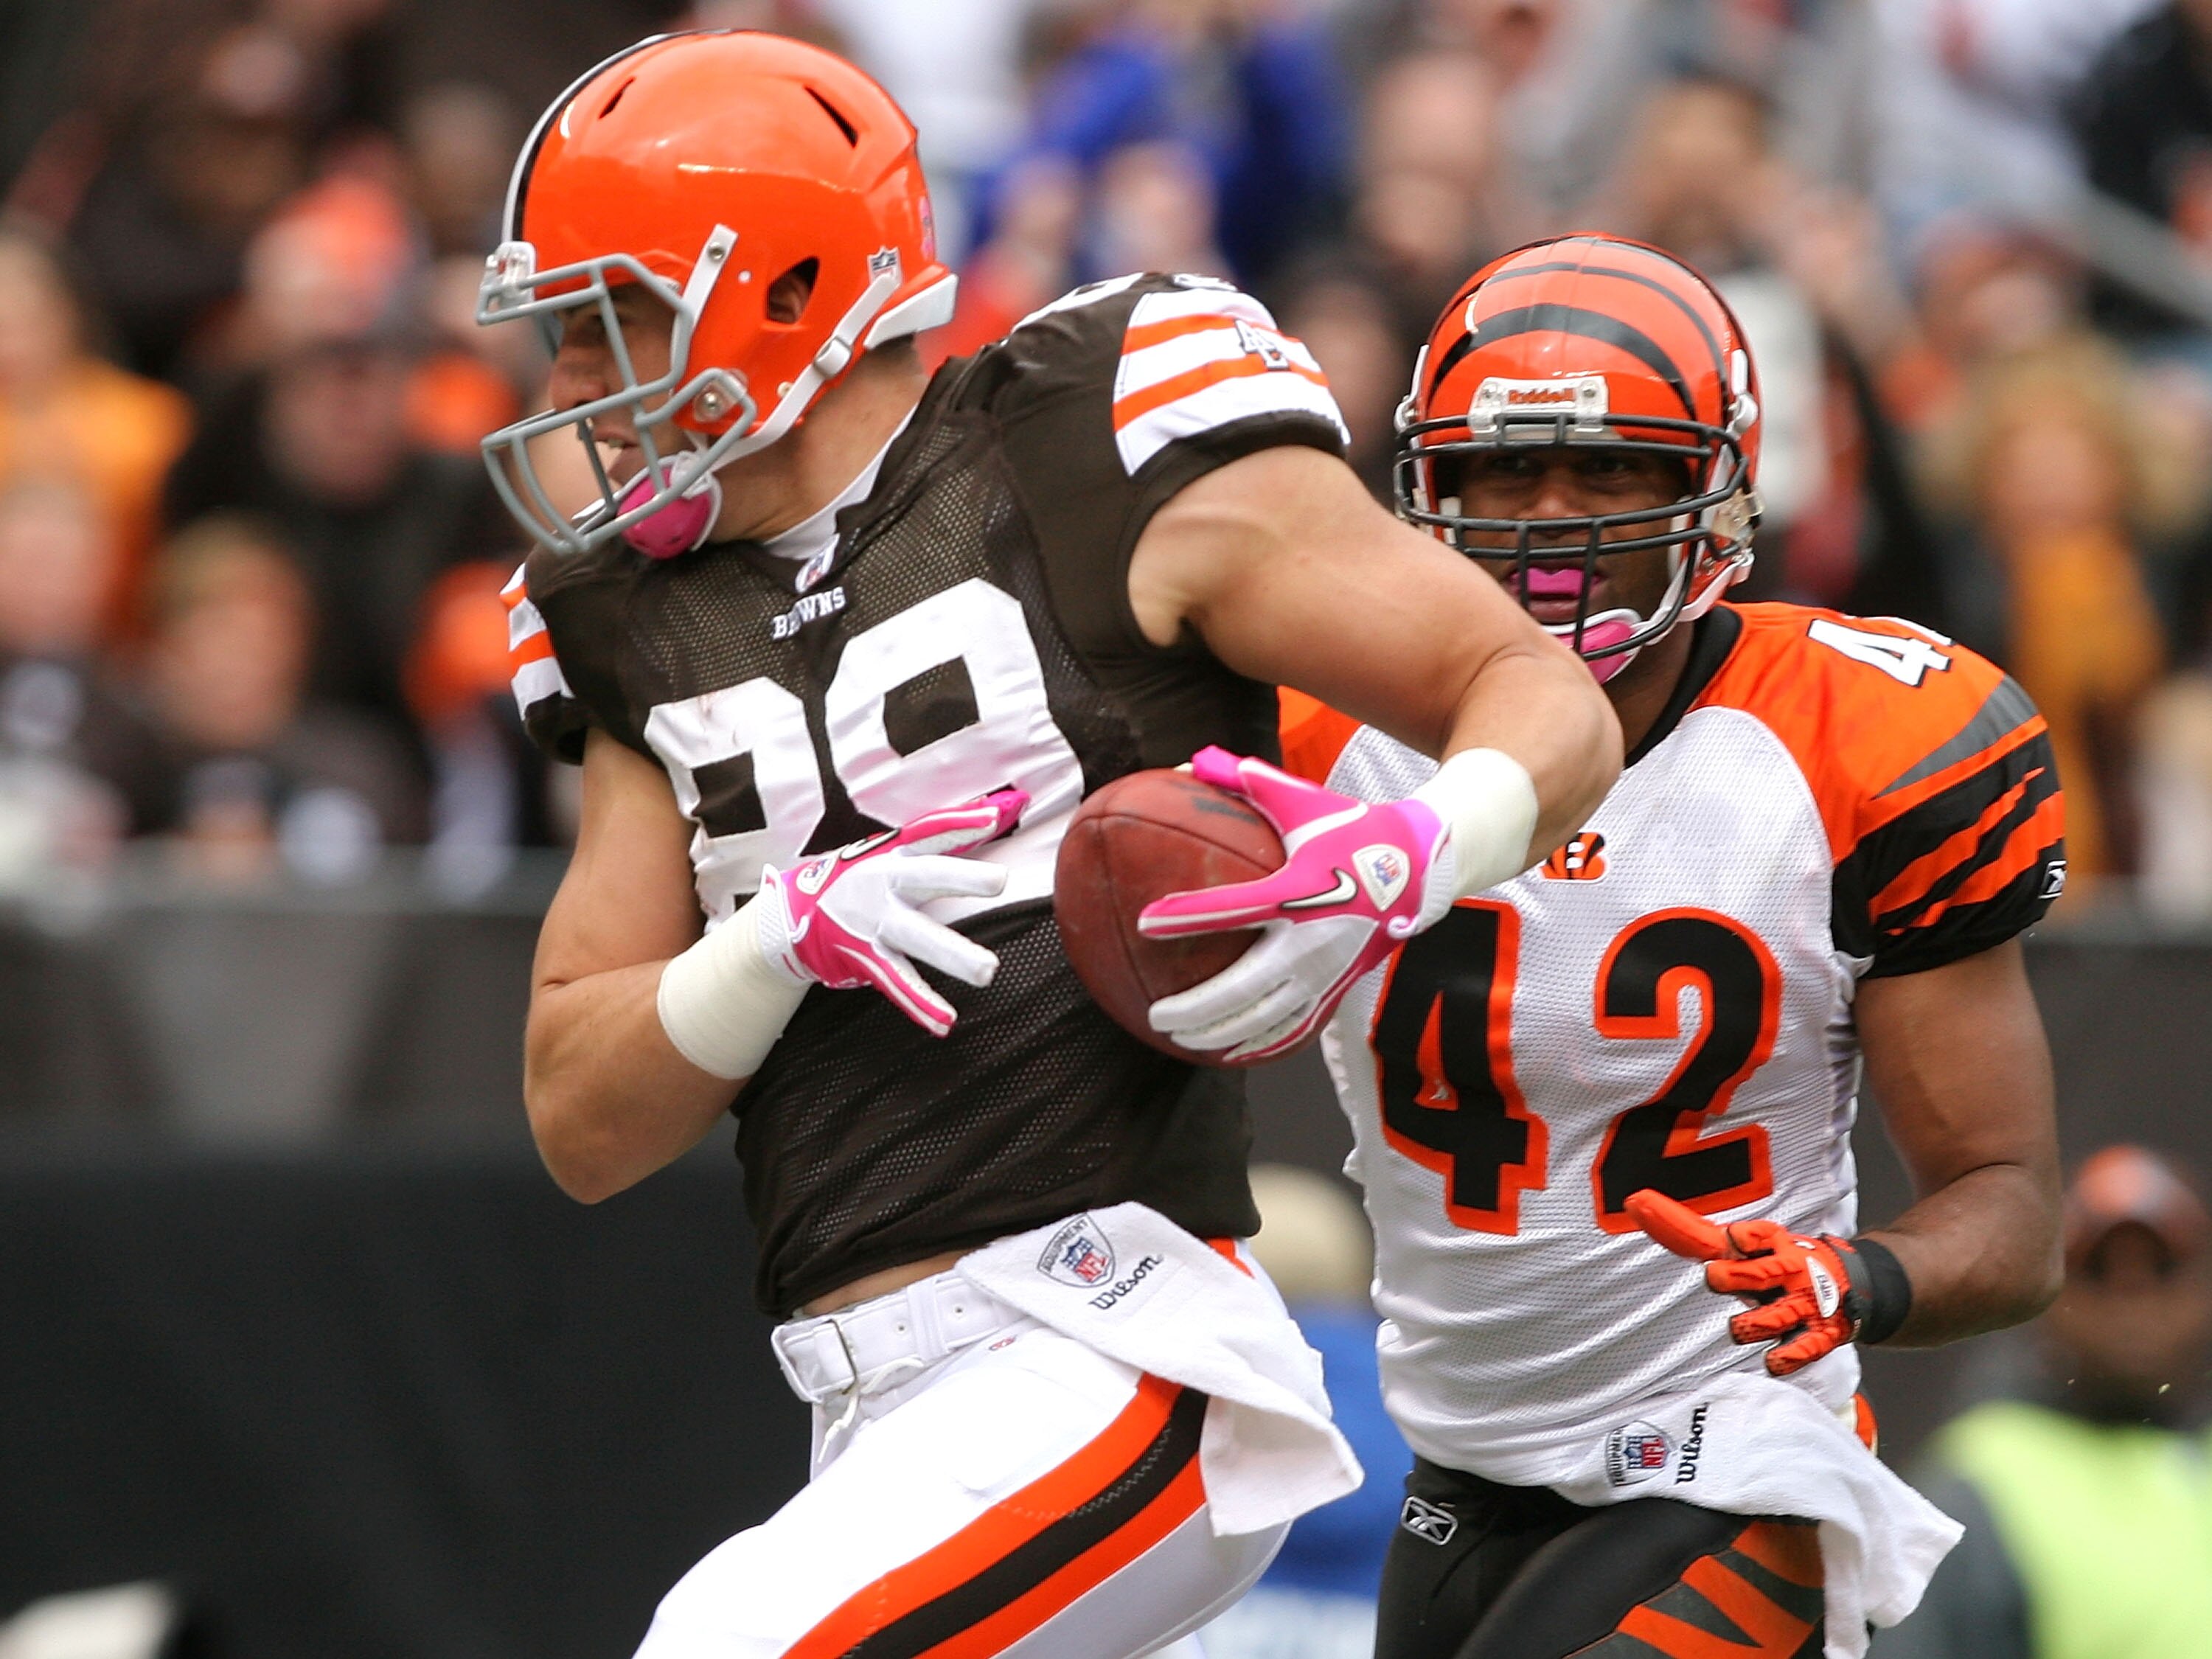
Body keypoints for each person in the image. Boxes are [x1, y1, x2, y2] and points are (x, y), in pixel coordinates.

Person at [477, 32, 1618, 1659]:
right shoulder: (626, 619)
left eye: (613, 322)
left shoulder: (1088, 440)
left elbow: (1533, 691)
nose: (572, 387)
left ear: (787, 287)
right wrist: (765, 943)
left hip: (1116, 1339)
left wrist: (1406, 851)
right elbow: (579, 1116)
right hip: (869, 1401)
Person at [1239, 233, 2066, 1658]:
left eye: (1613, 470)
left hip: (1731, 1459)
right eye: (1506, 472)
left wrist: (1852, 1280)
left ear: (1718, 490)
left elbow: (2010, 1207)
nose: (1554, 520)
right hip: (1457, 1474)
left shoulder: (1854, 745)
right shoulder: (1305, 728)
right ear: (1428, 488)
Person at [1877, 1145, 2212, 1659]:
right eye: (2098, 1271)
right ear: (2049, 1298)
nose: (2133, 1303)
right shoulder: (1980, 1482)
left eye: (2163, 1270)